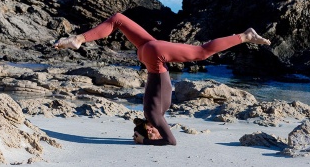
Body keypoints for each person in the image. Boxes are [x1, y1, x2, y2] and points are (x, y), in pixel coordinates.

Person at [54, 13, 271, 146]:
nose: (144, 139)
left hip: (155, 56)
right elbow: (166, 137)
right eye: (137, 138)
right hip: (148, 54)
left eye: (141, 138)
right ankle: (78, 38)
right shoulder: (154, 114)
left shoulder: (153, 115)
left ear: (150, 129)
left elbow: (171, 141)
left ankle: (246, 36)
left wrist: (145, 141)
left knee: (202, 52)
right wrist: (144, 137)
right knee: (117, 19)